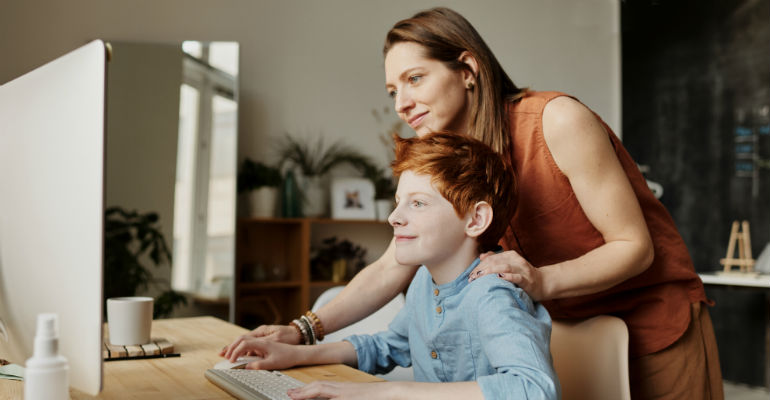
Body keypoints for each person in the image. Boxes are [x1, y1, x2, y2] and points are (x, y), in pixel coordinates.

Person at [226, 7, 722, 399]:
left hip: (654, 324)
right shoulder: (458, 159)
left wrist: (541, 279)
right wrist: (302, 330)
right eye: (393, 89)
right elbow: (392, 265)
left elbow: (634, 247)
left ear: (467, 69)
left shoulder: (556, 120)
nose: (401, 103)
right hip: (565, 328)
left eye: (415, 79)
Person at [222, 132, 559, 400]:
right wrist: (294, 354)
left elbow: (534, 389)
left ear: (476, 219)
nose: (394, 217)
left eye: (417, 203)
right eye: (399, 202)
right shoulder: (425, 283)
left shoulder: (493, 294)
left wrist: (389, 392)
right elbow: (389, 346)